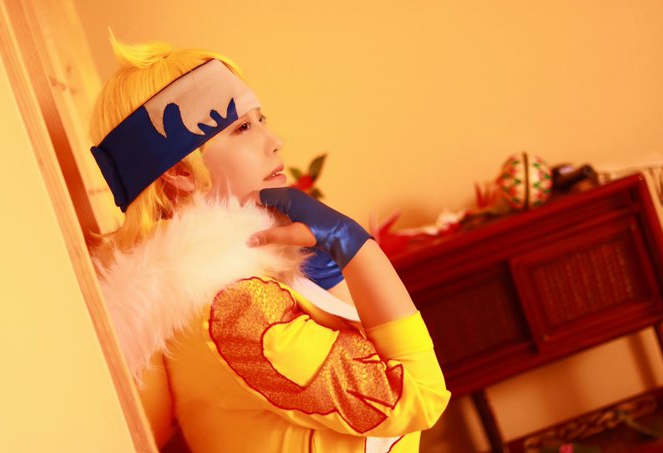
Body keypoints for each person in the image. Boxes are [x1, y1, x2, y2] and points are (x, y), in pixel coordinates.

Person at [90, 36, 450, 453]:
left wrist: (331, 278)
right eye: (242, 127)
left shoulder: (220, 290)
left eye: (261, 119)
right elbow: (420, 397)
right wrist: (355, 245)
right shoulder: (237, 308)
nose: (274, 140)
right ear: (181, 173)